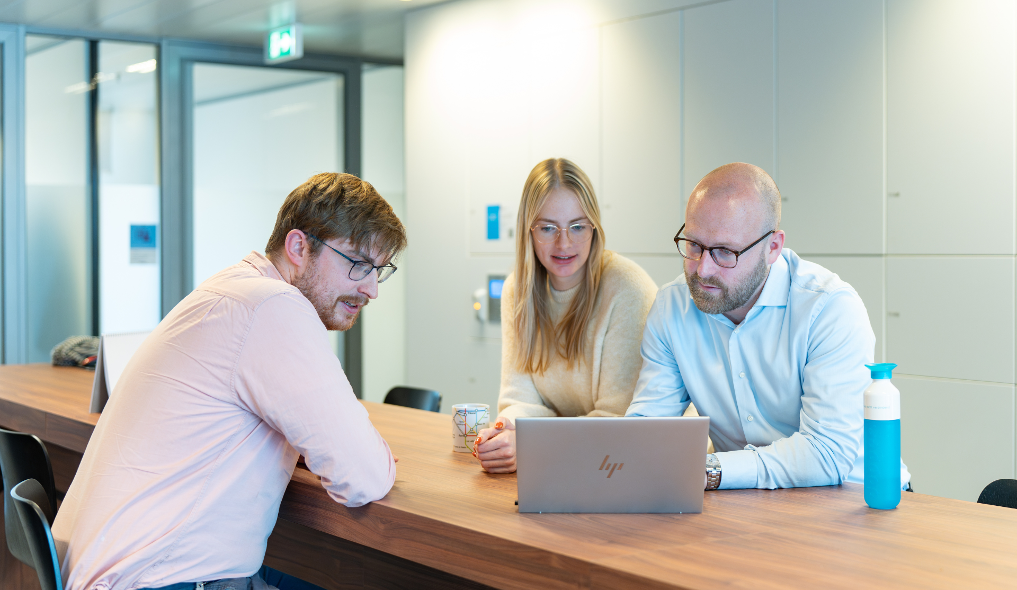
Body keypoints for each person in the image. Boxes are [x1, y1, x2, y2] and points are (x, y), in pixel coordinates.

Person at [52, 173, 407, 590]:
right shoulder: (274, 306)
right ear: (298, 247)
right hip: (164, 578)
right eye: (358, 264)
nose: (371, 289)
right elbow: (362, 477)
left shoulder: (231, 289)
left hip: (119, 568)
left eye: (378, 271)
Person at [627, 162, 910, 491]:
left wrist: (712, 469)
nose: (702, 269)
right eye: (693, 245)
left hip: (856, 505)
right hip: (746, 503)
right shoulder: (671, 307)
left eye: (723, 252)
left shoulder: (829, 308)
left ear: (773, 247)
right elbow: (646, 429)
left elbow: (826, 455)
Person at [474, 158, 658, 473]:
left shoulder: (628, 288)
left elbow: (618, 421)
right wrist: (506, 434)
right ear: (528, 232)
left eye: (577, 226)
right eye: (548, 227)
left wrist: (532, 441)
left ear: (594, 228)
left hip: (638, 462)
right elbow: (519, 402)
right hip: (574, 460)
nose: (564, 243)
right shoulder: (517, 290)